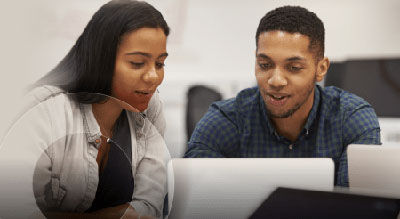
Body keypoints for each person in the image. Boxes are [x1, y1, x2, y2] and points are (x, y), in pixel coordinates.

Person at [0, 0, 171, 218]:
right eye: (137, 63)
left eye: (159, 64)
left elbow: (149, 206)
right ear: (103, 59)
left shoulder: (151, 107)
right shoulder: (42, 112)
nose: (153, 77)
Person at [184, 5, 381, 187]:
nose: (275, 80)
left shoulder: (351, 118)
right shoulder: (224, 121)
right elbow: (189, 202)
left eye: (294, 68)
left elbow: (363, 207)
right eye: (265, 65)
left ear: (321, 69)